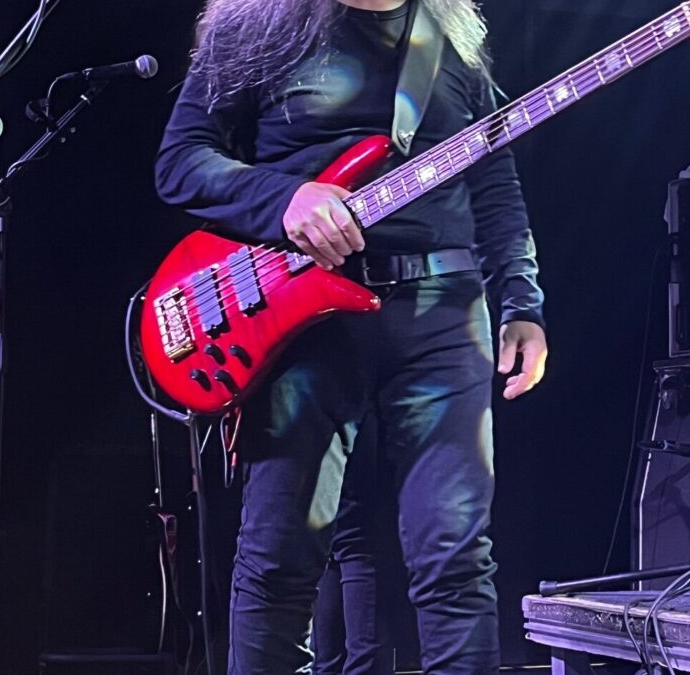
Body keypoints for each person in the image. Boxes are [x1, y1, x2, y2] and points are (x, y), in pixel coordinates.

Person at [155, 0, 547, 671]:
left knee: (456, 559)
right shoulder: (257, 24)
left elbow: (492, 177)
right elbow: (181, 160)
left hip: (444, 312)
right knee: (278, 559)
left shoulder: (449, 35)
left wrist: (522, 300)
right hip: (303, 317)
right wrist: (284, 200)